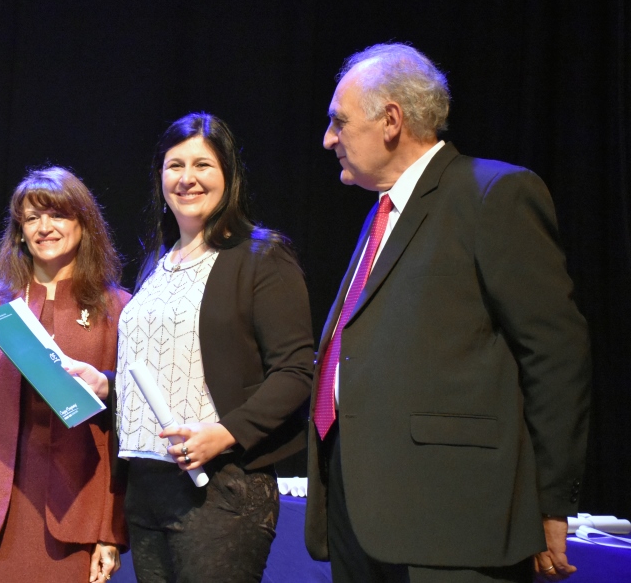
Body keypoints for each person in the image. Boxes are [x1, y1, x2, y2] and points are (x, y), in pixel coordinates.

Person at [305, 43, 591, 582]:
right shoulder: (383, 212)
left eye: (339, 122)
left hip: (451, 522)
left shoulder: (493, 194)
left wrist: (551, 500)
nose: (328, 139)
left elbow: (555, 355)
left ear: (391, 120)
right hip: (362, 510)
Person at [115, 113, 315, 583]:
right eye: (175, 165)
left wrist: (224, 433)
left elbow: (296, 372)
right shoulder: (157, 263)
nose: (187, 178)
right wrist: (105, 383)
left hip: (223, 486)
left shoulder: (261, 256)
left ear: (228, 175)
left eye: (202, 165)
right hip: (146, 486)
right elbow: (162, 366)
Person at [0, 166, 128, 583]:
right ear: (19, 231)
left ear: (83, 224)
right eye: (32, 217)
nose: (44, 227)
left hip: (77, 511)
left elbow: (121, 435)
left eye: (57, 215)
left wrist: (110, 530)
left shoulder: (116, 308)